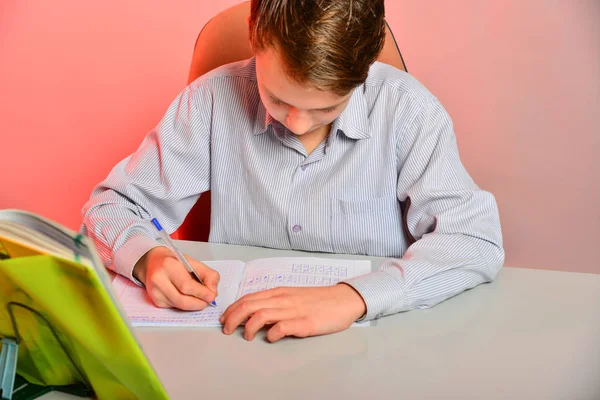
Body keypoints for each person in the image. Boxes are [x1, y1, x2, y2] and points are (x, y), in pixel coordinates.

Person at [81, 0, 504, 343]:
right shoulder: (209, 101)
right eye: (277, 98)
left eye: (326, 108)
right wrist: (147, 257)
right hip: (235, 340)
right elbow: (111, 206)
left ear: (362, 73)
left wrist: (355, 296)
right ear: (254, 39)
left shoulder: (407, 110)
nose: (297, 123)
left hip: (374, 341)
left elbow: (474, 240)